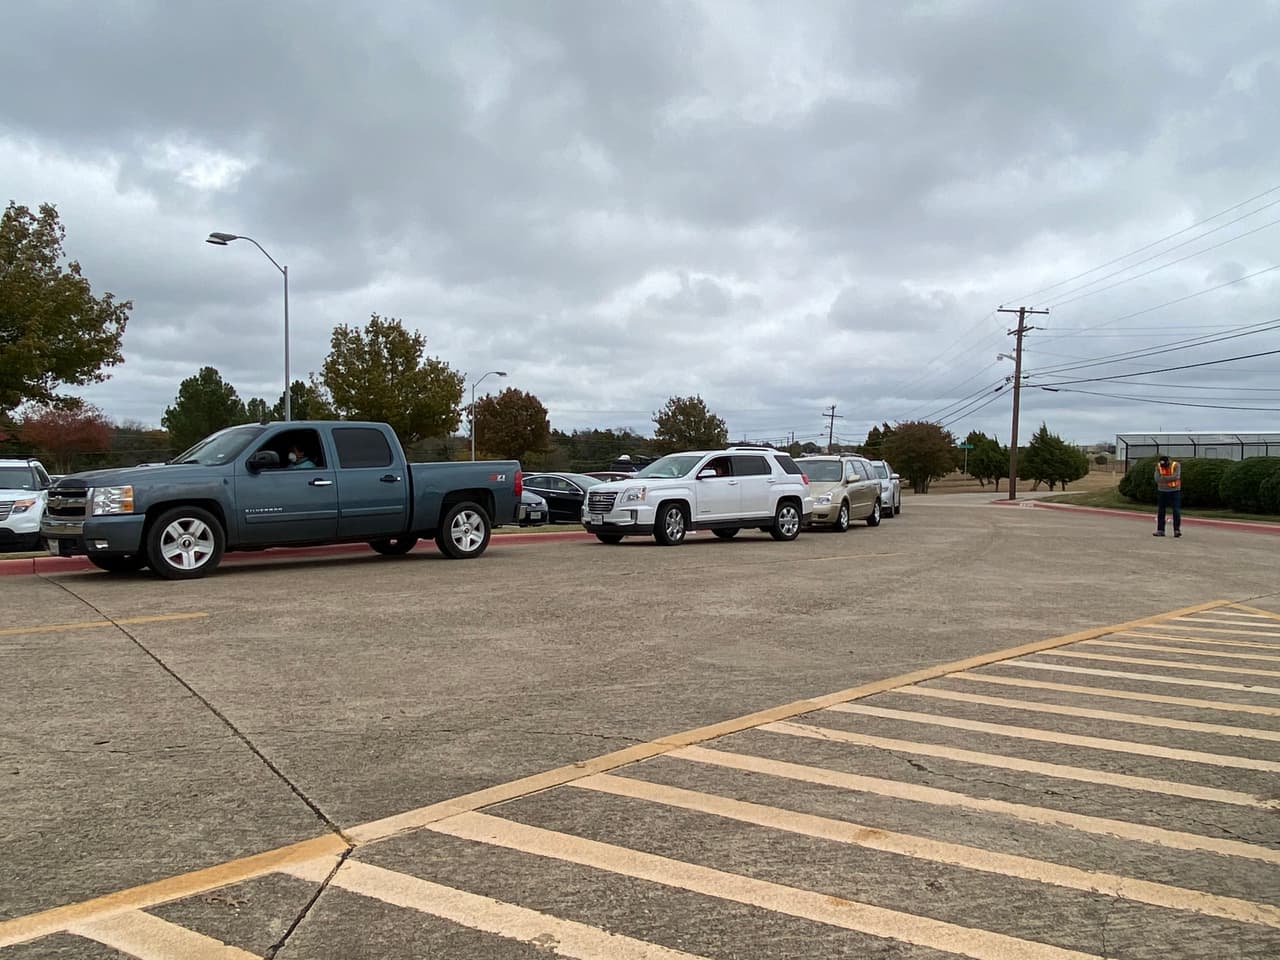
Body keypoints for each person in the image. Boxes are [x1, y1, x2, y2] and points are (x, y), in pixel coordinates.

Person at [1154, 454, 1181, 538]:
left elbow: (1176, 476)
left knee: (1176, 510)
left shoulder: (1176, 465)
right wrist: (1168, 478)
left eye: (1165, 465)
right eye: (1162, 465)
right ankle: (1160, 530)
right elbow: (1157, 478)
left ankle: (1177, 530)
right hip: (1162, 490)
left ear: (1169, 462)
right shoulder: (1158, 466)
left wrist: (1164, 478)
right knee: (1161, 511)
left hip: (1174, 490)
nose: (1164, 467)